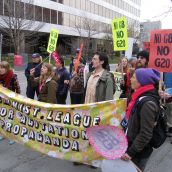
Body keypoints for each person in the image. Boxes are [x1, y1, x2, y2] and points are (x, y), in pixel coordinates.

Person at [121, 68, 160, 171]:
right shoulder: (139, 96)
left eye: (133, 77)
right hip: (131, 146)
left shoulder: (148, 104)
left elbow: (146, 133)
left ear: (141, 81)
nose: (130, 80)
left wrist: (131, 153)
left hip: (138, 153)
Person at [0, 61, 21, 145]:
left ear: (7, 68)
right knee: (1, 118)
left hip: (10, 102)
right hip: (1, 101)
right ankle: (2, 133)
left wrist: (17, 100)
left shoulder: (12, 76)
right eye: (0, 67)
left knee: (10, 119)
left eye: (3, 68)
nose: (1, 69)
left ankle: (11, 136)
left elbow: (18, 89)